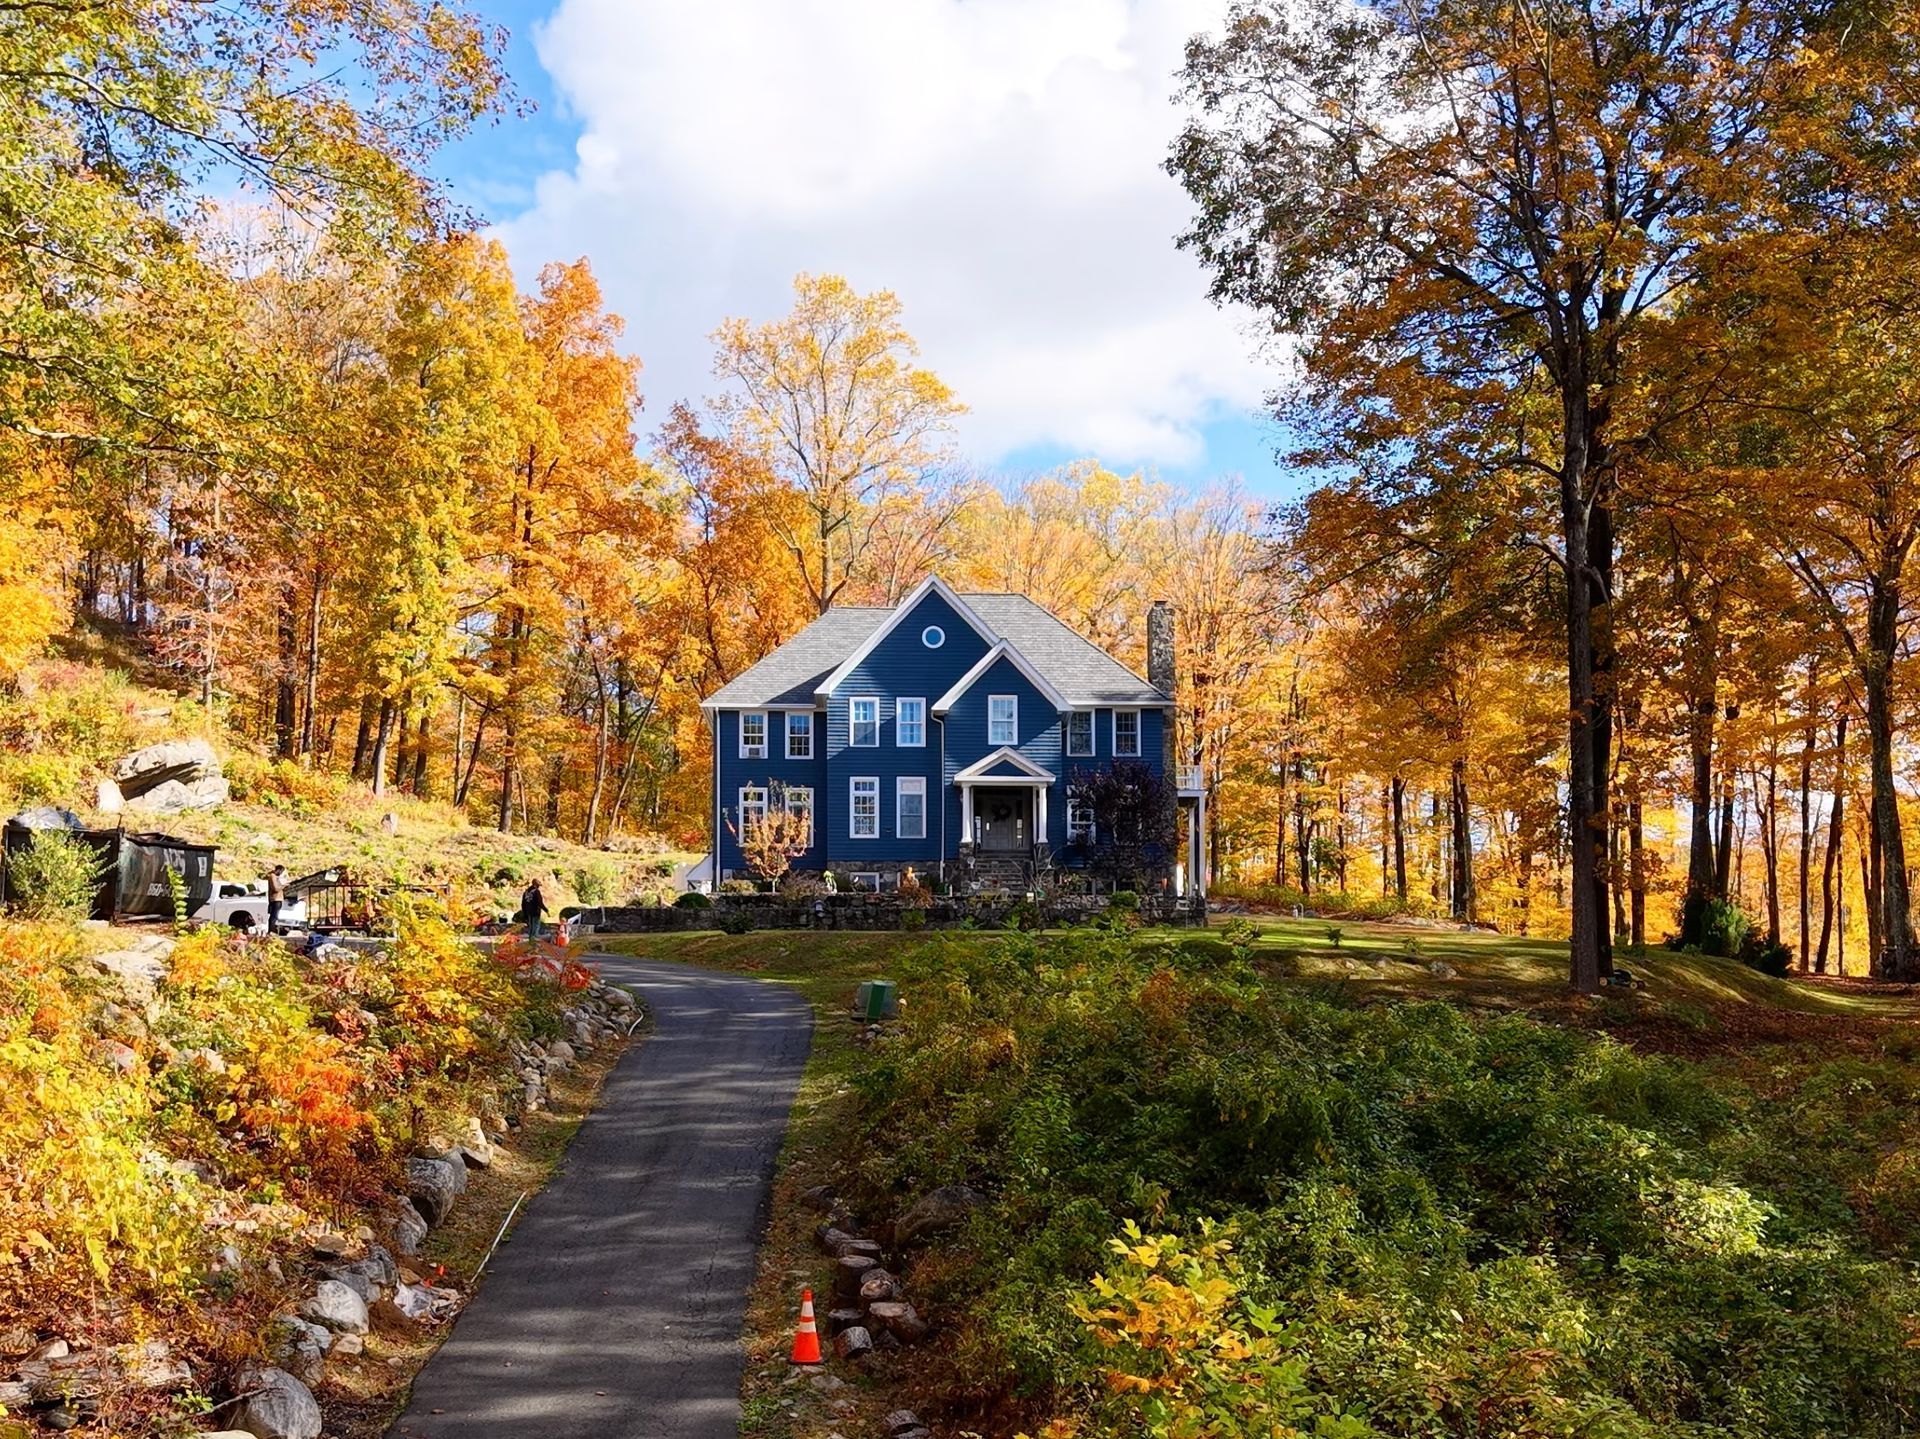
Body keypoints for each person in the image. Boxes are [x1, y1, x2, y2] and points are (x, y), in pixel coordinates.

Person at [266, 864, 288, 935]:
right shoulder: (273, 876)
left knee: (275, 916)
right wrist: (284, 885)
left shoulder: (275, 877)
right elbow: (275, 888)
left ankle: (272, 930)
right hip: (276, 899)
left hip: (277, 899)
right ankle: (271, 931)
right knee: (274, 916)